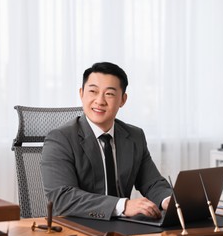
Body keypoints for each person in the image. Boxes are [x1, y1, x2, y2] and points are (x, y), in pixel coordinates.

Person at [40, 62, 171, 220]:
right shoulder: (60, 139)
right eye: (93, 91)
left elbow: (152, 183)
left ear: (123, 100)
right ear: (81, 94)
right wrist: (123, 206)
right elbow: (62, 198)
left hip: (124, 228)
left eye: (109, 94)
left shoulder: (134, 136)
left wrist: (169, 200)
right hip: (77, 228)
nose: (100, 101)